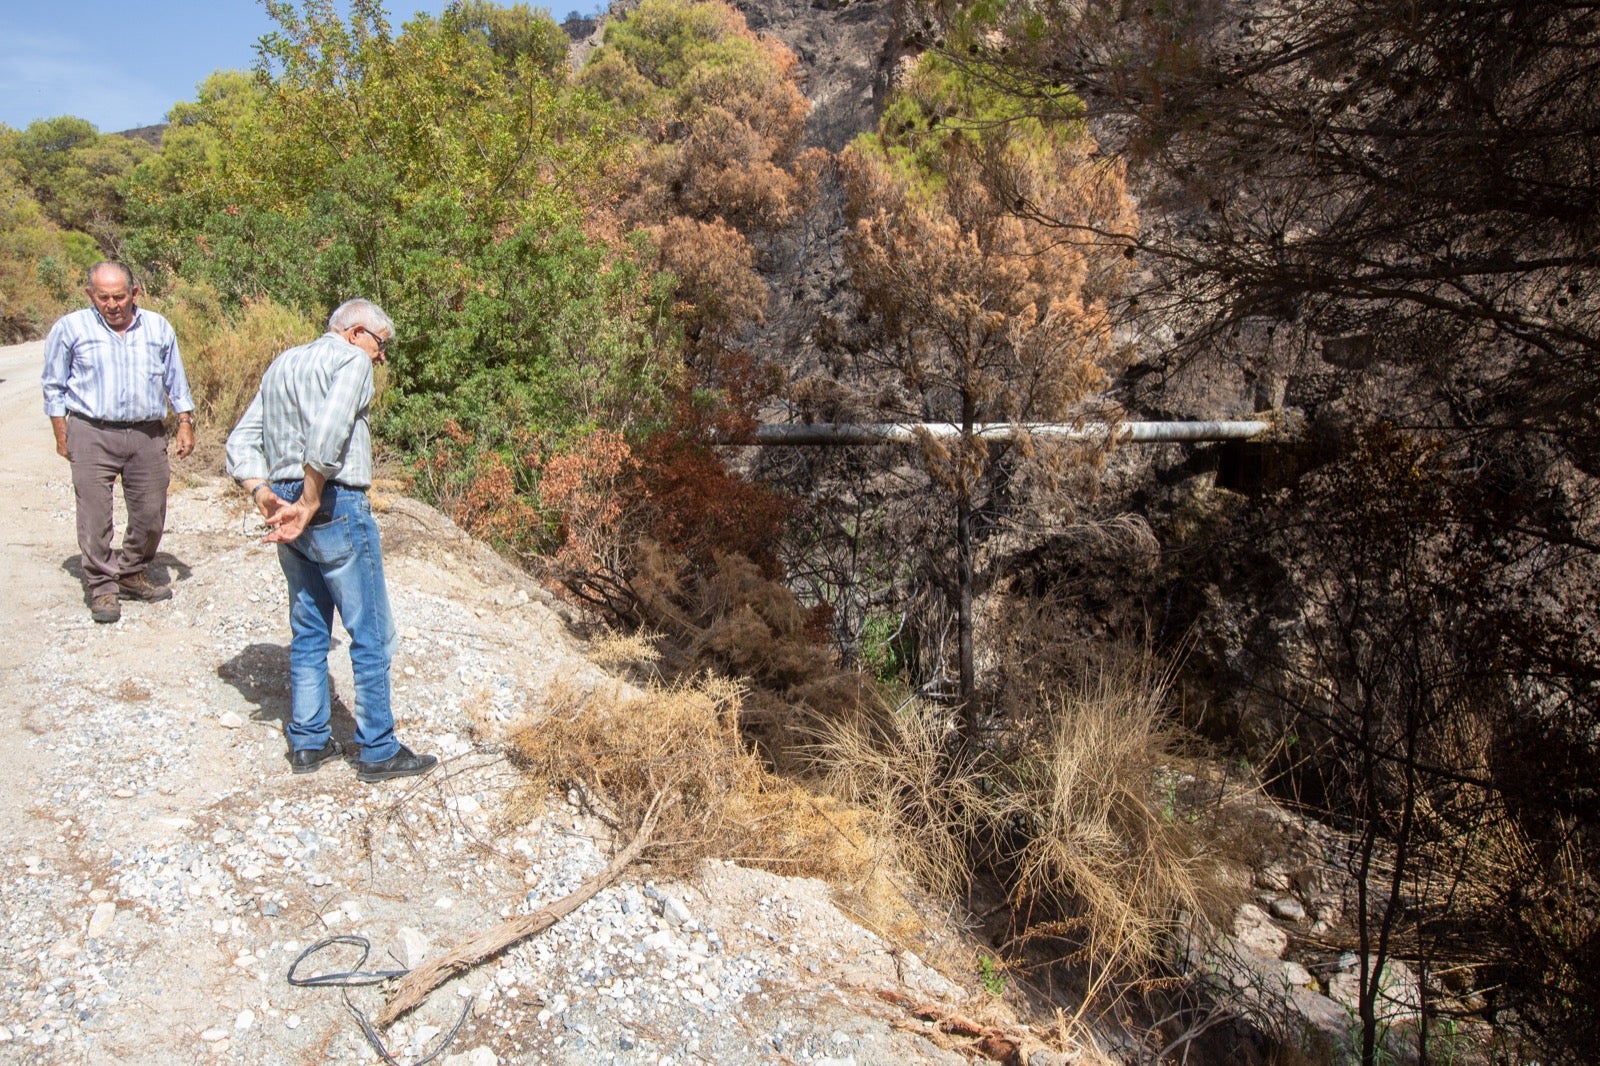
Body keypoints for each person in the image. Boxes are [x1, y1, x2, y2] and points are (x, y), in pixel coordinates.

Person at [224, 299, 437, 783]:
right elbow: (330, 432)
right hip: (331, 501)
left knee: (309, 627)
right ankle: (379, 749)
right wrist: (311, 498)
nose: (381, 357)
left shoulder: (283, 362)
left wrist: (264, 495)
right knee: (371, 632)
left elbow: (240, 442)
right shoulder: (352, 361)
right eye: (381, 345)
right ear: (357, 332)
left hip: (285, 504)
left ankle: (308, 742)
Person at [42, 262, 196, 624]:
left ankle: (130, 572)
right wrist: (60, 432)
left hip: (147, 433)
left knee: (151, 511)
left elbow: (176, 379)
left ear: (135, 293)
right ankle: (102, 587)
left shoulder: (158, 327)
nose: (112, 305)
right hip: (91, 431)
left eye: (119, 296)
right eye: (104, 297)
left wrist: (185, 422)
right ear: (91, 295)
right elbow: (53, 384)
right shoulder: (71, 328)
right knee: (95, 515)